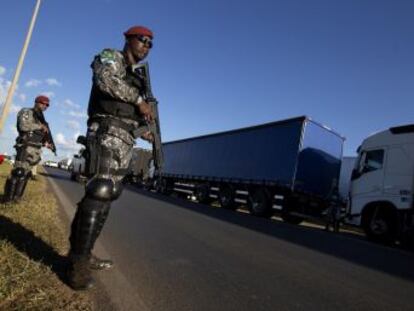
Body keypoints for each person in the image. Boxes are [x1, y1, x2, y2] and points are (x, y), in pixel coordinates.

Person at [67, 25, 155, 290]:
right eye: (143, 40)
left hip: (125, 139)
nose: (147, 46)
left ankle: (82, 253)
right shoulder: (110, 57)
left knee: (108, 196)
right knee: (99, 191)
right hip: (105, 132)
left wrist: (145, 130)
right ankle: (77, 266)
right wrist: (138, 99)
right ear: (128, 40)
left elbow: (131, 114)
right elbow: (104, 81)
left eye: (151, 44)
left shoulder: (136, 78)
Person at [3, 95, 54, 203]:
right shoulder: (27, 111)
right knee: (18, 172)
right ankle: (7, 199)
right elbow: (23, 126)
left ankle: (17, 198)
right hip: (25, 146)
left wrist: (47, 143)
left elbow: (40, 135)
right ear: (37, 102)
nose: (45, 106)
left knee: (26, 174)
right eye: (44, 103)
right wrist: (39, 127)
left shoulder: (42, 120)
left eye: (47, 105)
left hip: (36, 149)